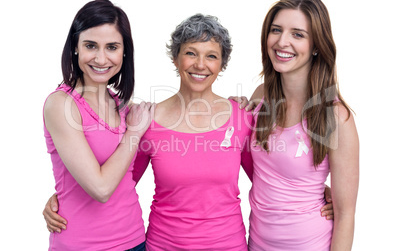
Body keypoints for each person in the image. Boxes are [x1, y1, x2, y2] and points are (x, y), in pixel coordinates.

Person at [43, 13, 334, 250]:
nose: (200, 64)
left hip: (228, 245)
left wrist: (312, 190)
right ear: (175, 59)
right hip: (161, 245)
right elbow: (120, 180)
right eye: (190, 53)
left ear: (222, 65)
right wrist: (64, 197)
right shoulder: (145, 120)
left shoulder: (241, 117)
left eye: (211, 56)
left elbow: (267, 173)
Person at [245, 0, 359, 250]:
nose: (282, 42)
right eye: (276, 30)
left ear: (317, 45)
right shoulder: (260, 96)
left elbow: (346, 215)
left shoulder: (335, 117)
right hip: (257, 244)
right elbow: (260, 169)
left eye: (297, 34)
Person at [42, 0, 154, 250]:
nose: (101, 59)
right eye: (91, 46)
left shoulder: (122, 106)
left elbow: (125, 177)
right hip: (81, 244)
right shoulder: (61, 105)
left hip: (135, 240)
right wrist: (134, 132)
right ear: (75, 48)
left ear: (124, 52)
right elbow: (101, 189)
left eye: (112, 47)